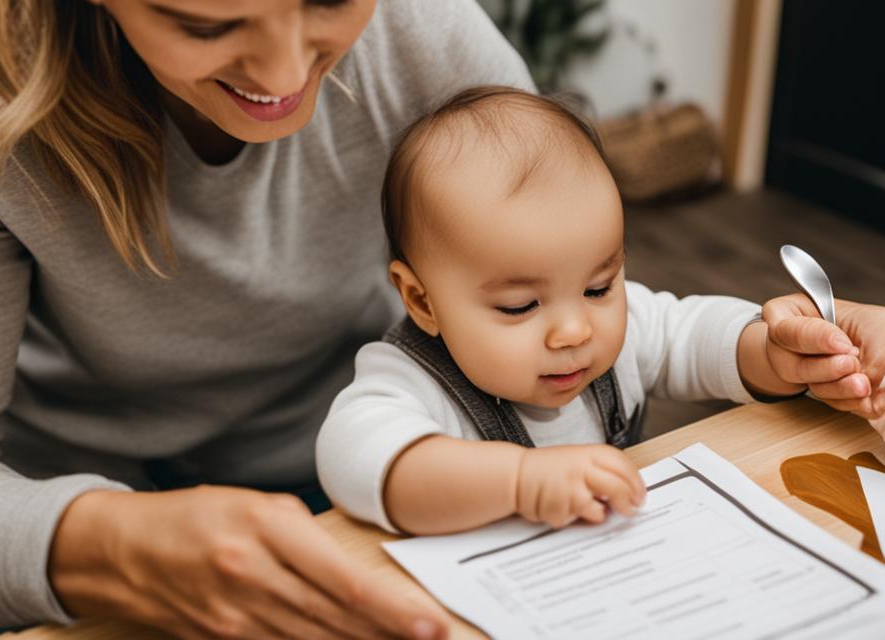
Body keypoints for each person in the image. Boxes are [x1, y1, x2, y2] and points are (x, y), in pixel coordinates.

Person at [0, 2, 882, 640]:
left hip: (359, 511)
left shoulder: (425, 33)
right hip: (51, 520)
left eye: (329, 0)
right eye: (207, 23)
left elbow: (603, 299)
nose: (282, 73)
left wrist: (766, 341)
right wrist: (105, 542)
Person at [316, 86, 885, 536]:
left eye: (598, 287)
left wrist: (776, 355)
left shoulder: (617, 331)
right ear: (422, 300)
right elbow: (357, 458)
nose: (573, 330)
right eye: (520, 306)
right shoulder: (410, 380)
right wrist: (519, 482)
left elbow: (693, 337)